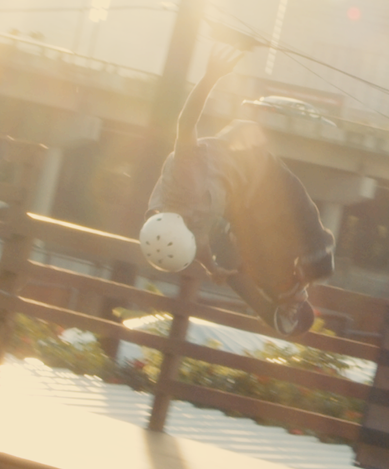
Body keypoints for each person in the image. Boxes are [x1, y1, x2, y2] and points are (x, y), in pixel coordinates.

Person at [140, 43, 335, 336]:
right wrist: (212, 268)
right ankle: (282, 299)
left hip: (255, 166)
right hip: (236, 201)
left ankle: (298, 283)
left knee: (309, 233)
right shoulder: (178, 231)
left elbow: (185, 122)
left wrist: (211, 77)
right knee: (242, 258)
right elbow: (201, 242)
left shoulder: (183, 176)